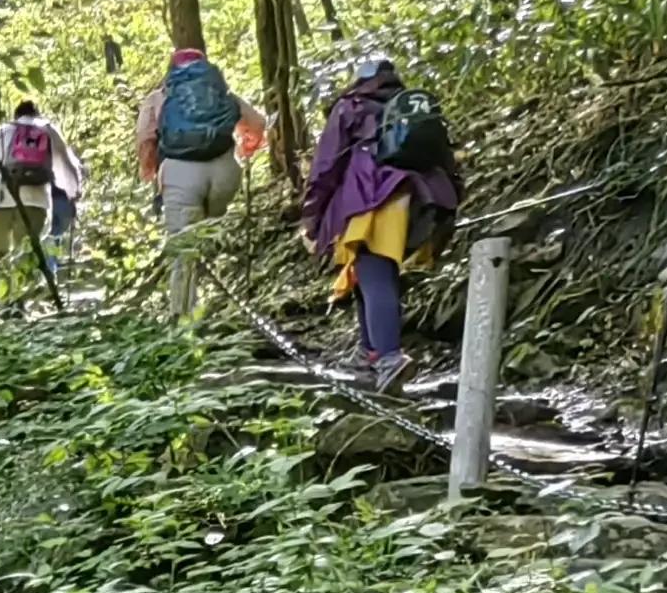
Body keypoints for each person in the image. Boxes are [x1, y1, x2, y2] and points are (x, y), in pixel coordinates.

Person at [302, 55, 463, 392]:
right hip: (421, 198)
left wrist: (312, 219)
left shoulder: (351, 106)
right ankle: (369, 351)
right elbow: (447, 160)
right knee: (367, 271)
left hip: (372, 197)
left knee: (376, 274)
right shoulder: (414, 106)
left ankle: (389, 357)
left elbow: (326, 166)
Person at [133, 44, 267, 317]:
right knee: (203, 240)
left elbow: (145, 139)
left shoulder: (160, 97)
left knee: (183, 250)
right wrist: (244, 149)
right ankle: (204, 305)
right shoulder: (222, 94)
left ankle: (181, 319)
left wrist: (150, 172)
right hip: (225, 171)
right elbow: (259, 125)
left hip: (181, 174)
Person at [0, 99, 87, 305]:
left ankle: (5, 303)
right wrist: (74, 191)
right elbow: (66, 164)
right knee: (26, 253)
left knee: (1, 255)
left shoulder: (3, 131)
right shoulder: (47, 130)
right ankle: (21, 306)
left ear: (16, 115)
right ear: (36, 113)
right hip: (35, 200)